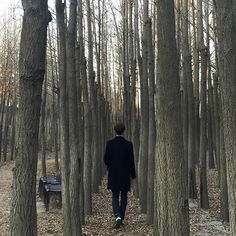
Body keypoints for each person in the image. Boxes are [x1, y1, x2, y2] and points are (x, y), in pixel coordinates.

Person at [103, 122, 136, 229]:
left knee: (115, 196)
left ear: (115, 131)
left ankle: (117, 216)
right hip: (125, 174)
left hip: (113, 173)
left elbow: (106, 158)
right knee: (124, 196)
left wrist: (110, 167)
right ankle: (120, 218)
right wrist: (133, 174)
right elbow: (132, 161)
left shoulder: (110, 143)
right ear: (124, 131)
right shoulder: (129, 144)